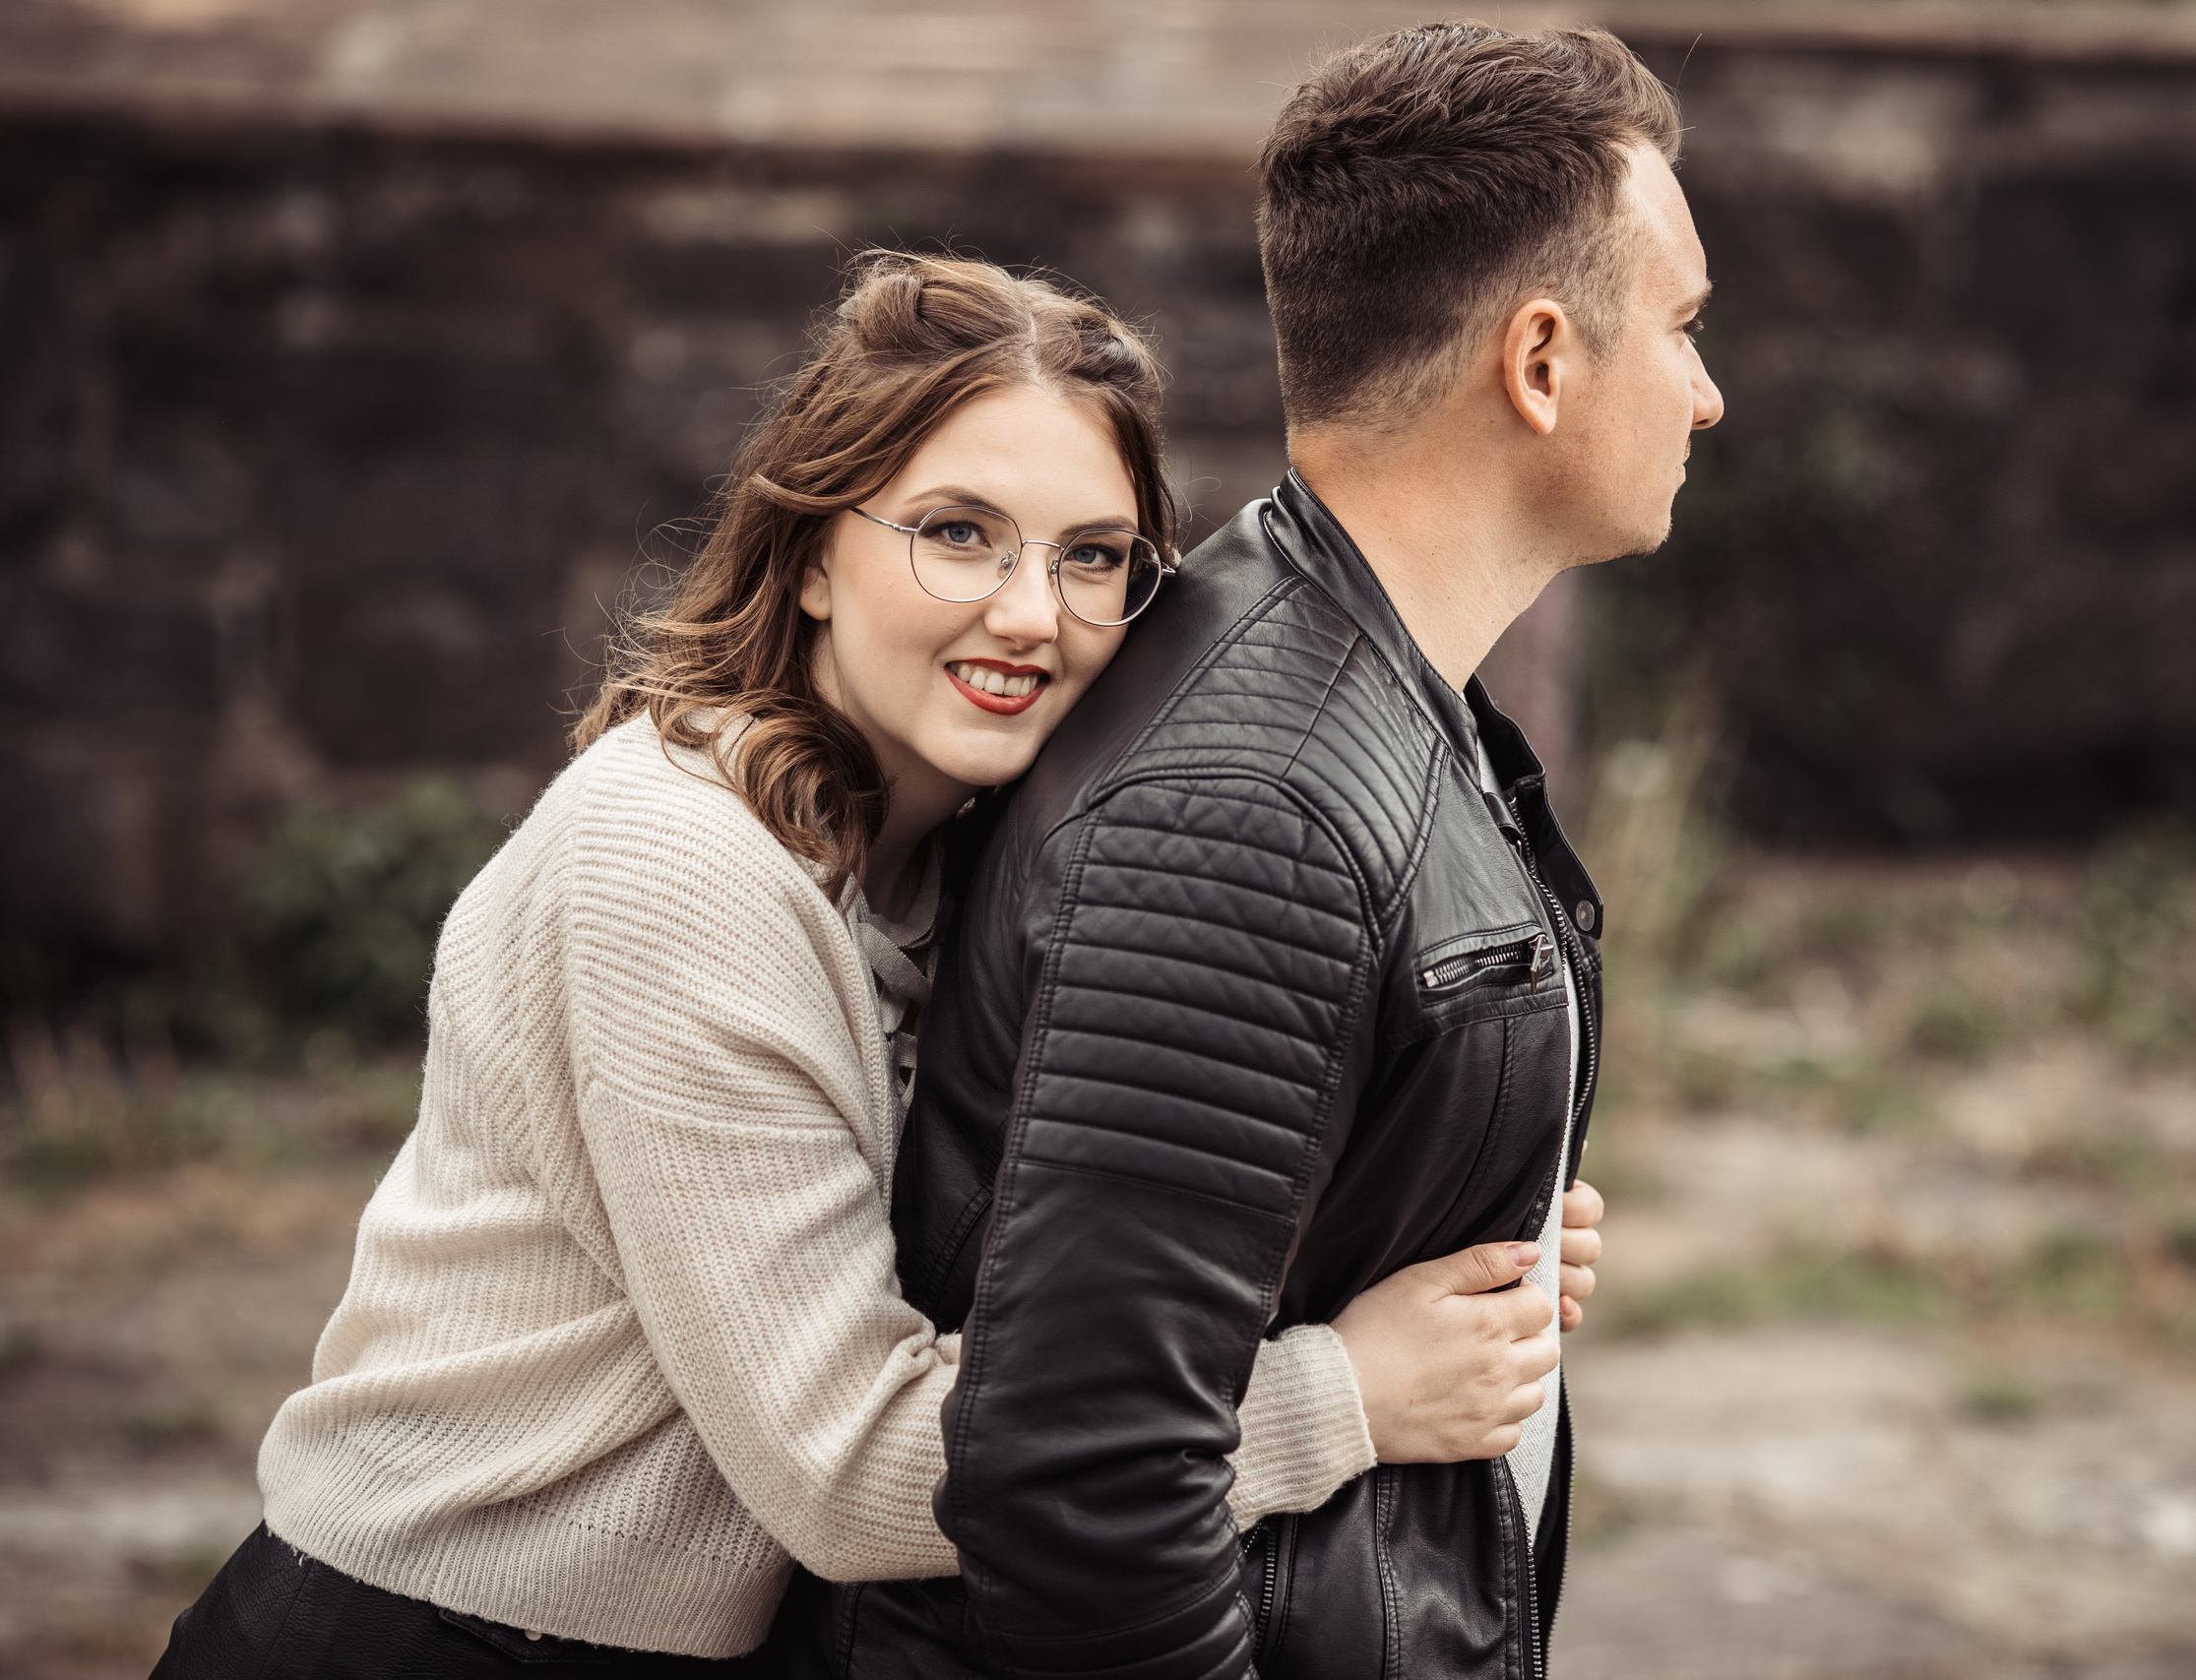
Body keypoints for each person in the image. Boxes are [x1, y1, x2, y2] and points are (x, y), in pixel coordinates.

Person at [150, 254, 1600, 1678]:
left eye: (1092, 556)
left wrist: (1455, 1240)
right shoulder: (678, 862)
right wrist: (1352, 1389)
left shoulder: (958, 861)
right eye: (958, 533)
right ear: (813, 555)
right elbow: (847, 1467)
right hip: (427, 1632)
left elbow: (1056, 1255)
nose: (1032, 612)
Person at [849, 23, 1722, 1680]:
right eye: (1680, 328)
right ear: (1540, 365)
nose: (1706, 388)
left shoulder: (1381, 688)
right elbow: (1082, 1494)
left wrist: (1467, 1174)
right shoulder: (1255, 806)